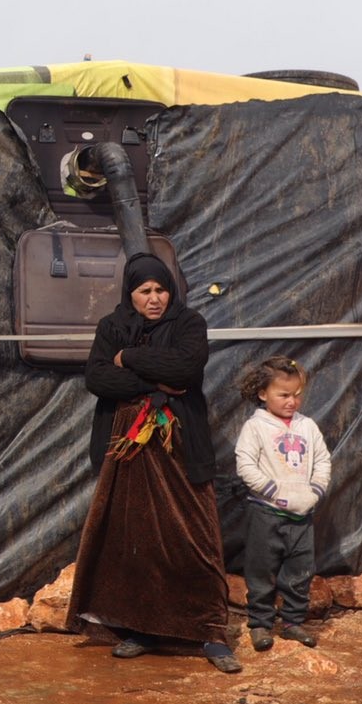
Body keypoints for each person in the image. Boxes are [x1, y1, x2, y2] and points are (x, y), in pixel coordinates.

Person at [70, 253, 239, 673]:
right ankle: (141, 628)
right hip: (129, 450)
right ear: (131, 293)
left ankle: (209, 631)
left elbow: (185, 368)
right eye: (145, 291)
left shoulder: (189, 324)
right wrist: (155, 380)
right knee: (137, 537)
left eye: (161, 289)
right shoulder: (112, 327)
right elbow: (97, 378)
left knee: (194, 536)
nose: (154, 298)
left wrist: (127, 359)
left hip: (179, 448)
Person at [233, 356, 332, 651]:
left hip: (302, 516)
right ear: (264, 394)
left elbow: (323, 460)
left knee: (300, 571)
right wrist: (275, 492)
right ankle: (260, 624)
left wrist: (314, 491)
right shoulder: (256, 427)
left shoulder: (308, 426)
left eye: (297, 394)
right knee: (261, 571)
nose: (292, 401)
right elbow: (246, 465)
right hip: (267, 512)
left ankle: (292, 622)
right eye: (284, 395)